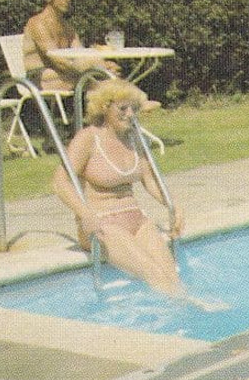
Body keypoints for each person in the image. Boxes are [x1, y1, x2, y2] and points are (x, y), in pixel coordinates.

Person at [52, 79, 193, 300]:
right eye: (122, 108)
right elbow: (60, 182)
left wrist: (173, 205)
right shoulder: (89, 138)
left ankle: (187, 309)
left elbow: (150, 179)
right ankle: (191, 310)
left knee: (171, 274)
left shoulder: (134, 138)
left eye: (134, 109)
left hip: (136, 221)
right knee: (152, 272)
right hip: (102, 223)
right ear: (105, 107)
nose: (129, 114)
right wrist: (85, 214)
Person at [22, 0, 118, 92]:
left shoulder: (67, 27)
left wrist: (103, 66)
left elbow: (80, 53)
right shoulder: (37, 24)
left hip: (64, 74)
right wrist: (97, 70)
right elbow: (57, 60)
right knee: (101, 77)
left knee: (106, 73)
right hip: (40, 79)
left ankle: (129, 103)